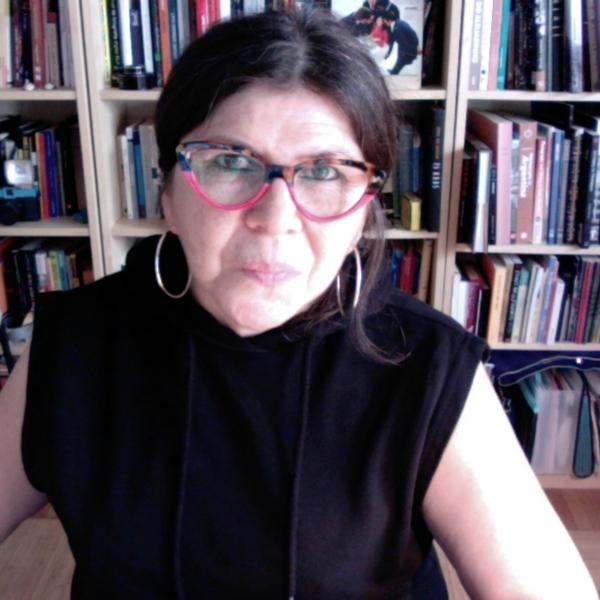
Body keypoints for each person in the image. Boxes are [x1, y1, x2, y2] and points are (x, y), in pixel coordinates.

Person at [0, 9, 597, 600]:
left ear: (364, 205)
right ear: (168, 191)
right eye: (230, 162)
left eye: (325, 171)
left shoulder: (428, 370)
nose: (275, 221)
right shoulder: (71, 347)